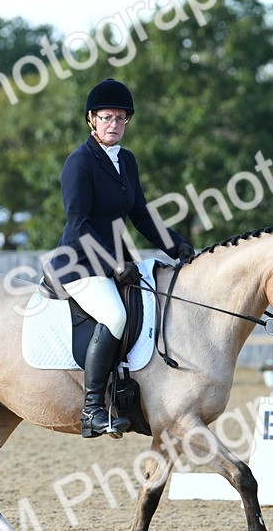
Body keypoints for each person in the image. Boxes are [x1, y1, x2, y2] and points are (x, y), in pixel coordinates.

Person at [45, 78, 195, 438]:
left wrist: (178, 247)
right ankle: (93, 409)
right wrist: (113, 264)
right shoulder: (79, 163)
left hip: (119, 260)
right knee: (114, 315)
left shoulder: (125, 160)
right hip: (81, 263)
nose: (114, 124)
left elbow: (141, 214)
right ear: (91, 120)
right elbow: (79, 224)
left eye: (120, 118)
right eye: (106, 117)